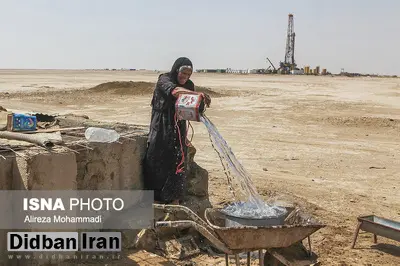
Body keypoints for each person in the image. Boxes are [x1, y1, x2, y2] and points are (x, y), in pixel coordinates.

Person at [143, 57, 211, 204]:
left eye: (188, 75)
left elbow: (190, 107)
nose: (185, 77)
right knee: (156, 157)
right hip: (160, 125)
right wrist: (197, 94)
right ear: (176, 70)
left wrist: (201, 103)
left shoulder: (189, 85)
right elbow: (175, 92)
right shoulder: (164, 79)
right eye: (183, 73)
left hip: (179, 126)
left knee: (178, 160)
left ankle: (174, 200)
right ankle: (155, 199)